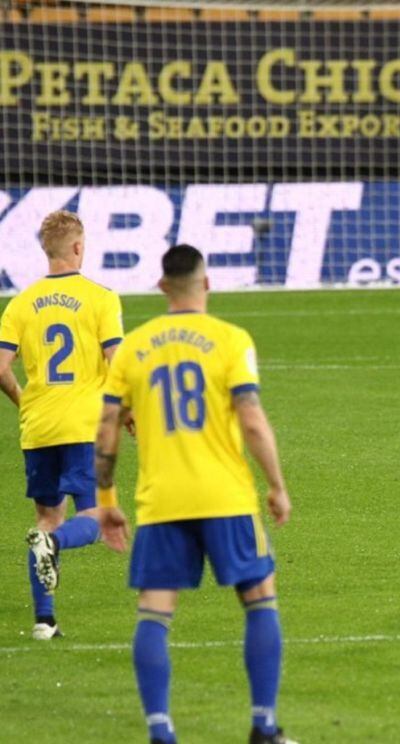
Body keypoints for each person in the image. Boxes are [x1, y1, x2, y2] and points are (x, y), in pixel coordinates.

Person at [93, 245, 296, 744]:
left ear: (162, 286)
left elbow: (107, 425)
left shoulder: (134, 347)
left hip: (162, 503)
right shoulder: (231, 339)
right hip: (226, 498)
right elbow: (251, 418)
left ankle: (161, 732)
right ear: (206, 283)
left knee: (155, 612)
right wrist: (276, 485)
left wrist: (106, 501)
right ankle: (263, 727)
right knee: (260, 600)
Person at [0, 210, 124, 640]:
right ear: (77, 247)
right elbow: (117, 362)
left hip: (38, 427)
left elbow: (1, 367)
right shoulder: (101, 298)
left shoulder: (20, 304)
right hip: (84, 425)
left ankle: (45, 620)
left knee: (48, 517)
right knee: (97, 516)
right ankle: (54, 546)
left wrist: (24, 401)